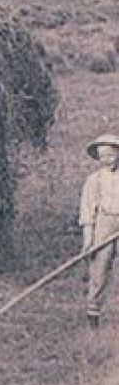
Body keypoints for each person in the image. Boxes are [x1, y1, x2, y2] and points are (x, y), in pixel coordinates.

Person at [79, 133, 119, 329]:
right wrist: (88, 239)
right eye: (103, 156)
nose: (107, 160)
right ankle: (93, 312)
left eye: (111, 155)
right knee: (99, 269)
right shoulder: (94, 180)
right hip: (103, 225)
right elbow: (87, 210)